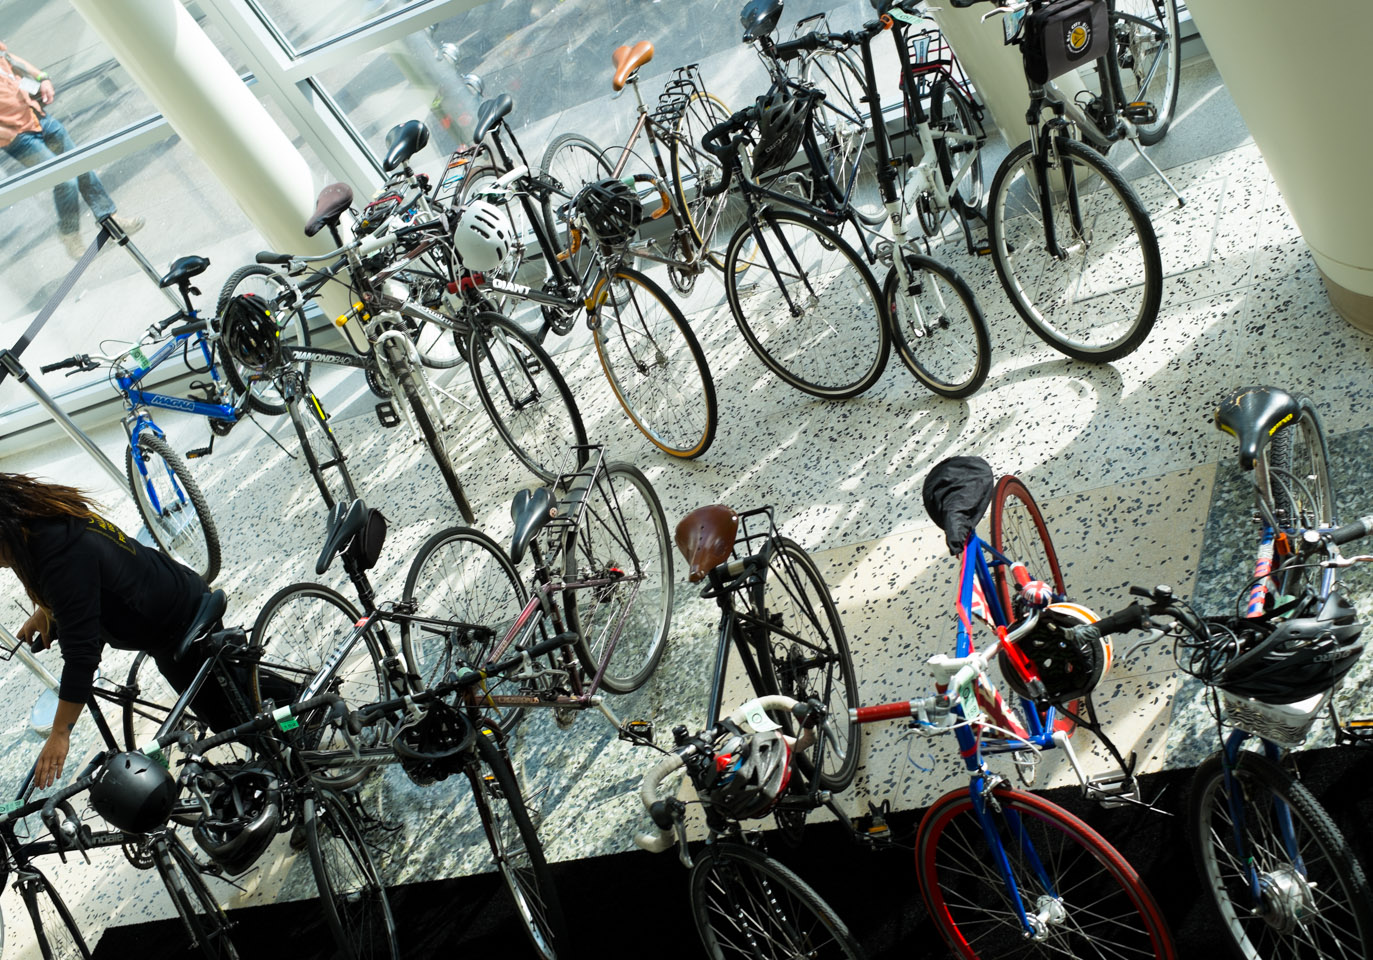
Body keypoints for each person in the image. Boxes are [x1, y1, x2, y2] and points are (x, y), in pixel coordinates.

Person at [0, 473, 218, 789]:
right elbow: (84, 583)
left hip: (179, 619)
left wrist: (61, 733)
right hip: (164, 591)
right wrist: (45, 613)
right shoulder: (36, 520)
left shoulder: (57, 555)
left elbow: (82, 657)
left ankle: (298, 739)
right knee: (224, 699)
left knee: (228, 717)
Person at [0, 41, 143, 259]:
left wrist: (42, 78)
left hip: (38, 117)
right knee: (65, 180)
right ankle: (70, 236)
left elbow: (13, 61)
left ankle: (110, 218)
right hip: (17, 137)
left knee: (81, 165)